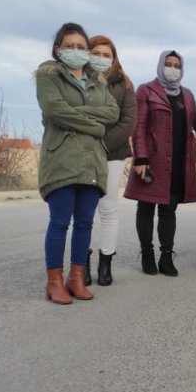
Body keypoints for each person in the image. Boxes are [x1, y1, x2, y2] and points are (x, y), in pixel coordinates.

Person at [36, 22, 120, 304]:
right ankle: (54, 281)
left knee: (85, 223)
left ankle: (76, 277)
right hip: (61, 157)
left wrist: (76, 113)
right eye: (69, 46)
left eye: (80, 46)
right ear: (58, 49)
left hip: (92, 161)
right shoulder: (48, 76)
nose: (75, 51)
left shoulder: (98, 80)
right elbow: (53, 109)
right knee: (60, 222)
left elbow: (112, 112)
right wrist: (94, 126)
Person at [124, 50, 196, 277]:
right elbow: (138, 126)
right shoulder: (146, 90)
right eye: (168, 64)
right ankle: (147, 254)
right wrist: (140, 157)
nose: (172, 68)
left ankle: (166, 256)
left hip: (178, 163)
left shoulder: (187, 95)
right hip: (151, 161)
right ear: (160, 65)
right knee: (146, 209)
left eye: (176, 65)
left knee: (169, 211)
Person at [83, 35, 136, 287]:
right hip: (80, 152)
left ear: (114, 58)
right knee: (82, 210)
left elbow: (128, 122)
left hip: (112, 153)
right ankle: (80, 263)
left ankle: (105, 264)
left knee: (108, 208)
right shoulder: (77, 79)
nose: (102, 59)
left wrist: (102, 144)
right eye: (97, 53)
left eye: (107, 55)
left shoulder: (124, 83)